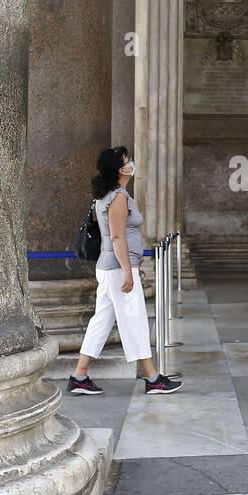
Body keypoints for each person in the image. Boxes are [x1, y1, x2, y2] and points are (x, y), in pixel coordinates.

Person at [67, 146, 182, 395]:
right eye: (129, 161)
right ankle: (153, 379)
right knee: (135, 320)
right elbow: (117, 237)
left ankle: (79, 375)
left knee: (102, 321)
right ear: (121, 170)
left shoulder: (106, 195)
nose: (133, 164)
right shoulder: (118, 197)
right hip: (118, 268)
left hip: (109, 268)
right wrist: (128, 271)